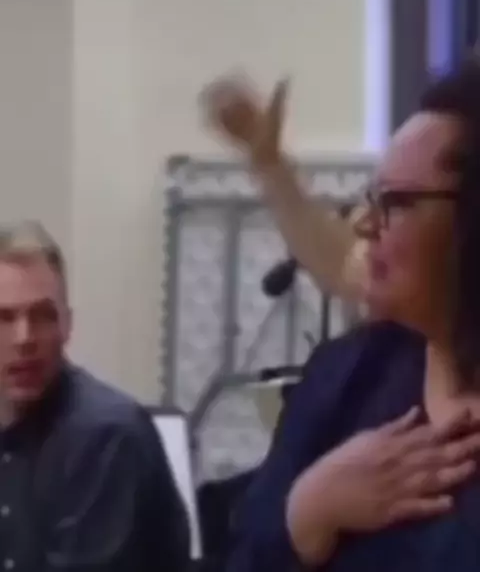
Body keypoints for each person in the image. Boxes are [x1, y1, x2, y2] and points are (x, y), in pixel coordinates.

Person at [200, 57, 480, 571]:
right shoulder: (349, 378)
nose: (365, 226)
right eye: (372, 200)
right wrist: (309, 510)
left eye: (396, 202)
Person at [0, 221, 189, 571]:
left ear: (67, 325)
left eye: (43, 316)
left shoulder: (106, 437)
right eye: (4, 318)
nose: (24, 338)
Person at [200, 75, 365, 300]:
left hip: (317, 240)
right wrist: (279, 95)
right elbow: (270, 134)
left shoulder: (264, 159)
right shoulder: (262, 157)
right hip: (318, 243)